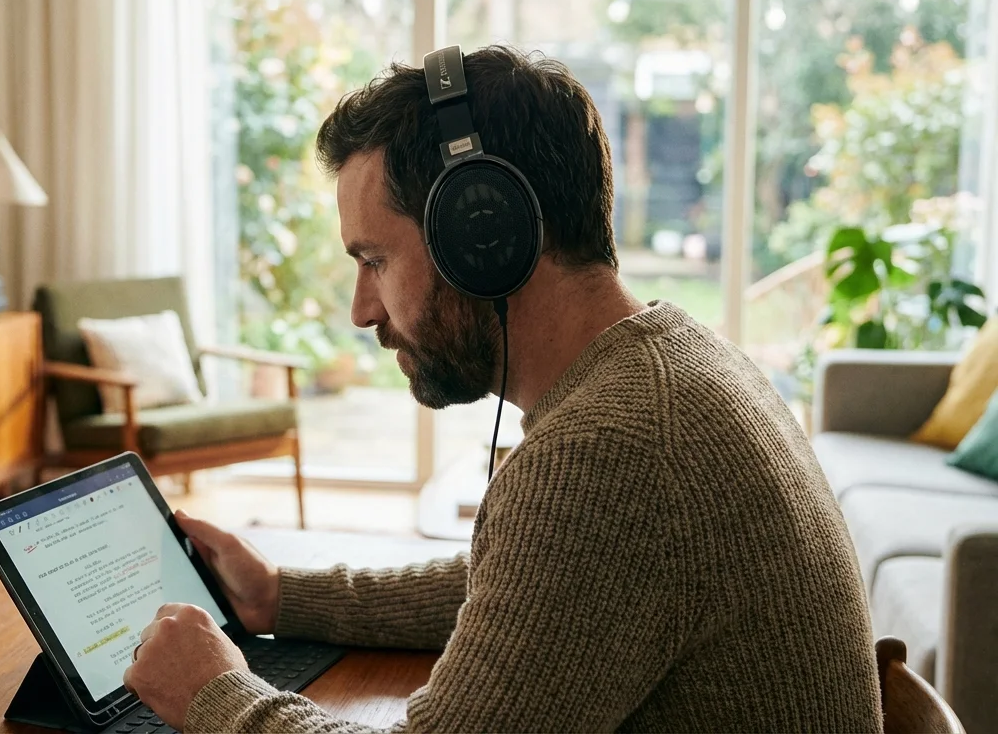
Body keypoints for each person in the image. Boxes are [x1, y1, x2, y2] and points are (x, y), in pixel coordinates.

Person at [123, 45, 883, 732]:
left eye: (374, 260)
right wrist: (280, 597)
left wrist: (214, 694)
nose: (361, 311)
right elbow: (529, 591)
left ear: (480, 235)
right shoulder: (678, 361)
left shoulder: (607, 454)